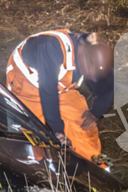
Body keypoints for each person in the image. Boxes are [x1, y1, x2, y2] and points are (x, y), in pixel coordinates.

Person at [6, 30, 113, 166]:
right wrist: (57, 130)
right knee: (32, 134)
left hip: (61, 87)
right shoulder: (51, 46)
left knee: (83, 125)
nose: (92, 77)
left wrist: (95, 113)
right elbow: (48, 92)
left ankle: (95, 169)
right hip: (27, 82)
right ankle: (33, 168)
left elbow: (107, 88)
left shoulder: (96, 56)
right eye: (89, 72)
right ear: (81, 53)